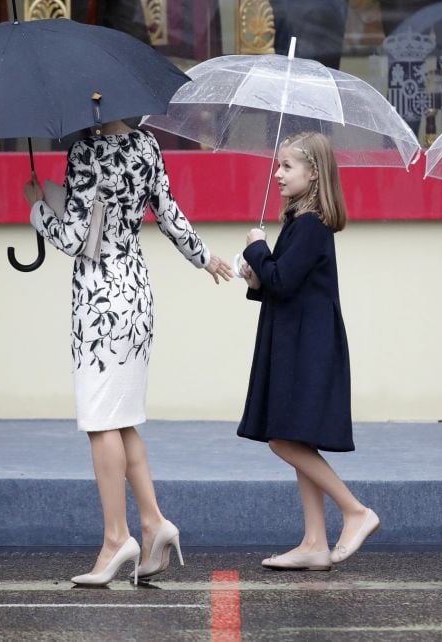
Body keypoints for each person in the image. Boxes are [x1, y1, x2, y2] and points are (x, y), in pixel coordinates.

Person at [23, 119, 233, 585]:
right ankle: (154, 522)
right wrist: (204, 257)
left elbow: (77, 240)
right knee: (121, 418)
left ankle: (117, 539)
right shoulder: (147, 144)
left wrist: (39, 208)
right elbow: (167, 213)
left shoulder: (84, 153)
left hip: (99, 300)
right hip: (136, 291)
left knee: (101, 422)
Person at [237, 132, 379, 571]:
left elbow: (283, 280)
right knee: (295, 436)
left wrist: (257, 247)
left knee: (282, 438)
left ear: (313, 172)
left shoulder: (313, 226)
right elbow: (282, 283)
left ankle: (355, 511)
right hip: (297, 340)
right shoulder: (301, 224)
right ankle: (315, 542)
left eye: (286, 166)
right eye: (278, 165)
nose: (276, 174)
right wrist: (257, 274)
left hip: (307, 347)